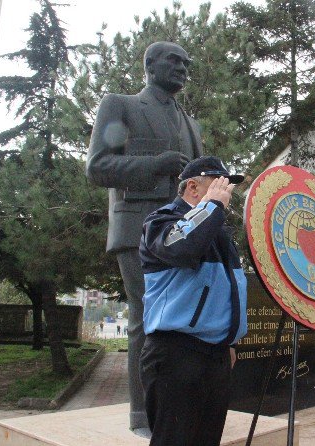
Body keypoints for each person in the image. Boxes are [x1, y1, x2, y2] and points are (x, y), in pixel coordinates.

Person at [86, 41, 202, 434]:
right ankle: (143, 415)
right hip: (138, 228)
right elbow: (98, 166)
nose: (183, 68)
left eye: (186, 63)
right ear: (150, 65)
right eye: (174, 60)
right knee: (147, 318)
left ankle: (177, 407)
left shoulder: (191, 124)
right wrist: (156, 165)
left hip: (185, 235)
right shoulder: (121, 105)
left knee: (182, 321)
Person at [139, 156, 247, 446]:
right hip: (176, 352)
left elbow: (228, 291)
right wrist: (212, 208)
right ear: (193, 188)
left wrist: (230, 342)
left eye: (228, 186)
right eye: (219, 184)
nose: (227, 192)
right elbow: (181, 248)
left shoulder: (218, 232)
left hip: (216, 356)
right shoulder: (162, 219)